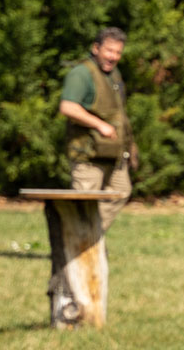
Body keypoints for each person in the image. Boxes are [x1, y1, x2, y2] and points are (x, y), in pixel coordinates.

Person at [59, 26, 137, 232]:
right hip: (88, 154)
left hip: (113, 153)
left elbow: (118, 114)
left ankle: (91, 237)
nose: (114, 57)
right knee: (84, 205)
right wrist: (99, 125)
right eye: (109, 51)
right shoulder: (81, 73)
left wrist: (130, 145)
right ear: (96, 48)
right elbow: (68, 107)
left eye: (118, 52)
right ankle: (77, 242)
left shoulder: (114, 75)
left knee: (121, 191)